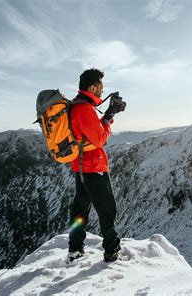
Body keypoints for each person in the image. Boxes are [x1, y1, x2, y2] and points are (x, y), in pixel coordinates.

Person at [67, 68, 125, 263]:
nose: (102, 90)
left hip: (81, 166)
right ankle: (111, 250)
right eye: (101, 86)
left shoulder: (79, 105)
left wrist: (108, 114)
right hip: (93, 167)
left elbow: (90, 131)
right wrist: (109, 116)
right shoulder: (84, 108)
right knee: (107, 209)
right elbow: (99, 138)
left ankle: (75, 248)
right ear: (92, 86)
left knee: (80, 208)